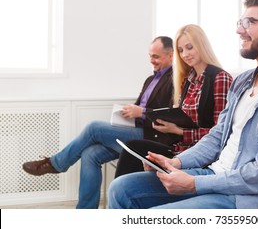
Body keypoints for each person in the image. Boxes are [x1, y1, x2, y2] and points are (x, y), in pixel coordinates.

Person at [108, 0, 258, 209]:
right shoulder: (243, 81)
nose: (239, 29)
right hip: (214, 174)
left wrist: (194, 183)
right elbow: (217, 135)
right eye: (240, 22)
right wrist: (177, 162)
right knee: (121, 188)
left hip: (248, 198)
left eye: (249, 22)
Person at [22, 36, 175, 209]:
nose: (151, 60)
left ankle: (57, 164)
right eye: (150, 55)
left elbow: (169, 115)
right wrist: (131, 111)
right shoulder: (150, 79)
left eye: (156, 56)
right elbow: (142, 108)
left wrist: (142, 112)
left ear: (171, 56)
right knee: (90, 154)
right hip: (135, 129)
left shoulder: (176, 80)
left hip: (151, 137)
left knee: (94, 127)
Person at [114, 24, 233, 177]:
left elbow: (220, 132)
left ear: (202, 45)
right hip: (179, 146)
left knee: (132, 152)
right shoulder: (187, 80)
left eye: (190, 47)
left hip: (198, 153)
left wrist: (177, 130)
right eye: (181, 50)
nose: (185, 54)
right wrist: (169, 123)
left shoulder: (220, 78)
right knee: (131, 150)